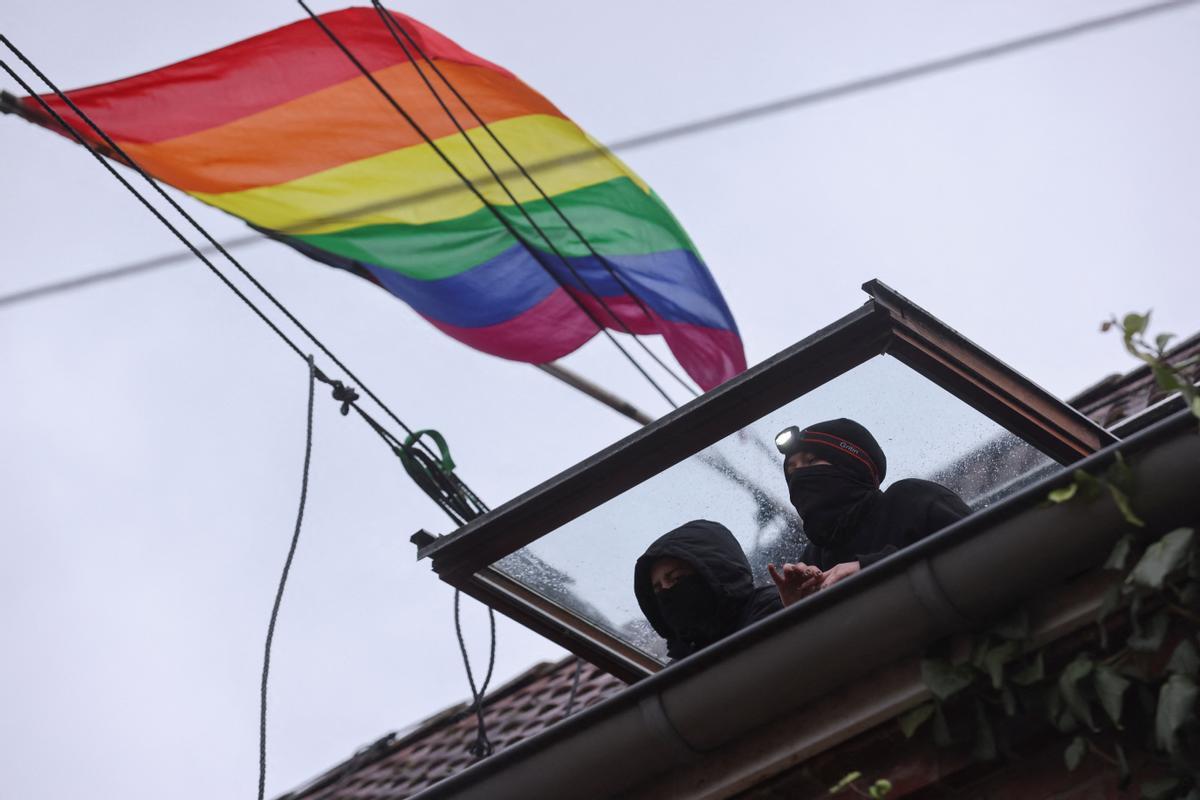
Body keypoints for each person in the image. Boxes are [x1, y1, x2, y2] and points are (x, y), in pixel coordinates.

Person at [768, 418, 971, 606]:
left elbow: (980, 552)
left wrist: (869, 569)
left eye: (811, 461)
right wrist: (797, 608)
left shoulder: (910, 500)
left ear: (850, 466)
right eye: (792, 473)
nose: (800, 477)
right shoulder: (813, 559)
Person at [635, 519, 783, 659]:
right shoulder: (683, 662)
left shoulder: (777, 610)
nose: (667, 591)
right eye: (658, 590)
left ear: (715, 572)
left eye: (677, 578)